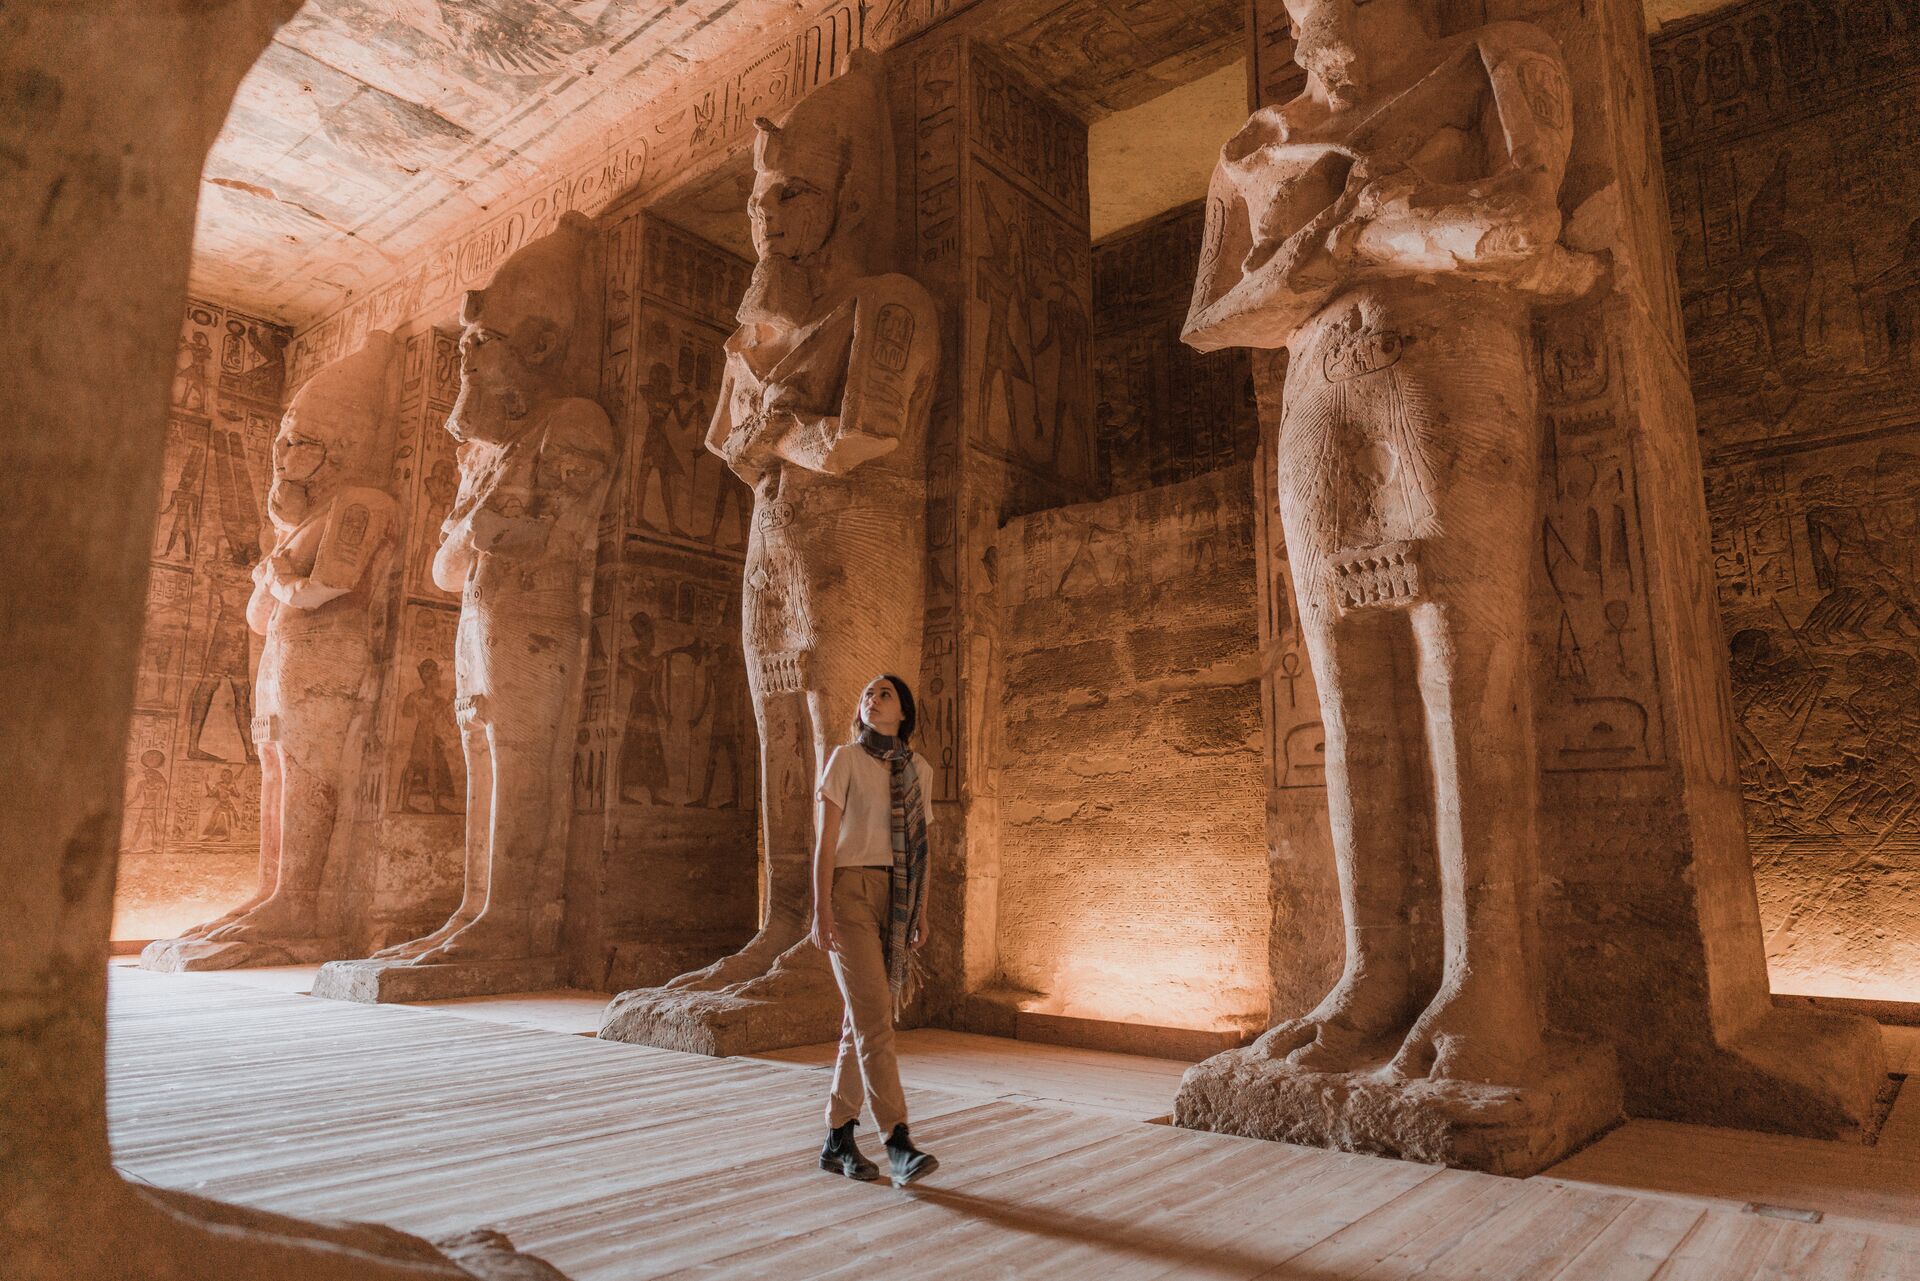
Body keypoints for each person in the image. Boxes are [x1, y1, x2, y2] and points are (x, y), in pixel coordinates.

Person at [808, 673, 938, 1187]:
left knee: (858, 1022)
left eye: (883, 693)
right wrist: (820, 910)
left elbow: (924, 848)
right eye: (866, 693)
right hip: (850, 895)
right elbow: (824, 843)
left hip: (898, 900)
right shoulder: (844, 760)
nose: (871, 698)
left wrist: (921, 911)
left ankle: (838, 1138)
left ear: (902, 712)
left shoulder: (918, 770)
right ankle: (898, 1140)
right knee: (875, 1023)